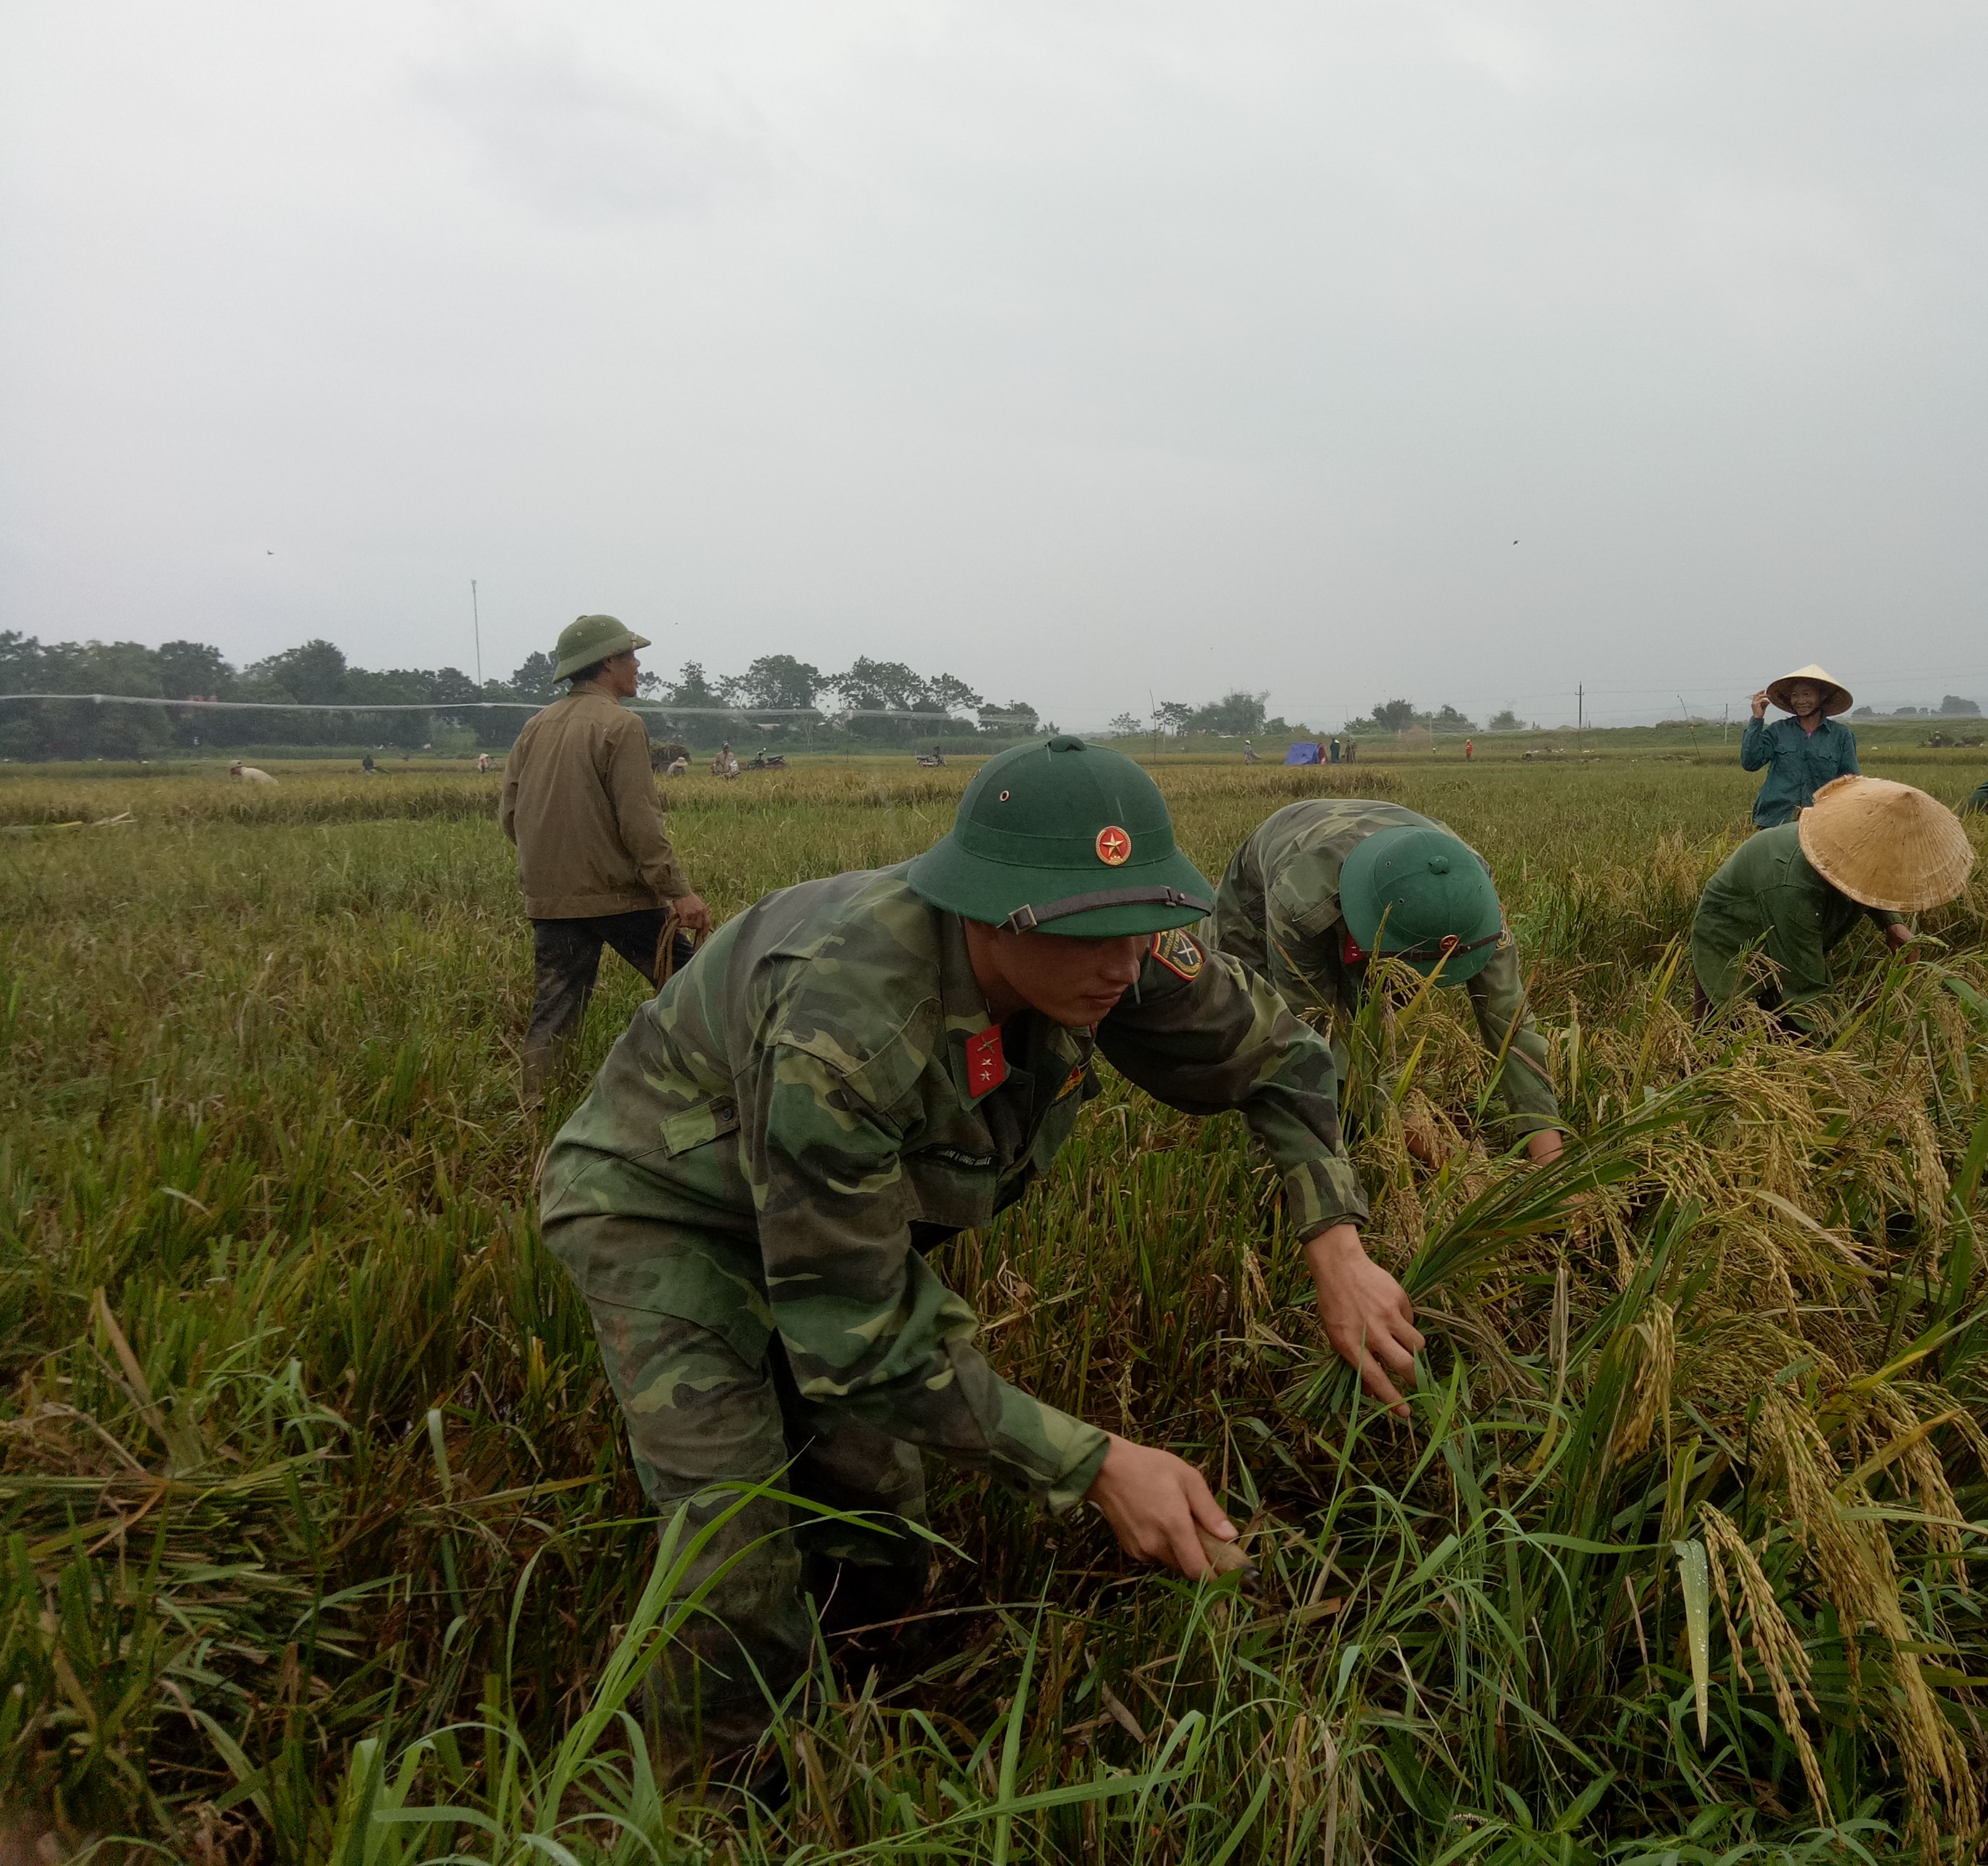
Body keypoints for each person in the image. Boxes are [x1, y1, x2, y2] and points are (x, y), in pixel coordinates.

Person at [538, 736, 1420, 1775]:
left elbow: (1282, 1061)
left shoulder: (1111, 948)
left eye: (1146, 927)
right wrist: (1095, 1465)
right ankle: (725, 1799)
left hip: (841, 1217)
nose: (1128, 966)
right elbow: (858, 1342)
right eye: (1099, 936)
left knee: (877, 1528)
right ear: (994, 910)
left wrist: (1334, 1238)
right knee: (737, 1560)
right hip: (670, 1207)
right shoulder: (851, 1022)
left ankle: (848, 1727)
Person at [1210, 800, 1563, 1164]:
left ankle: (1382, 1110)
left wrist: (1548, 1159)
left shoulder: (1469, 894)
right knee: (1271, 1043)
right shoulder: (1301, 901)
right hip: (1265, 897)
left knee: (1373, 1020)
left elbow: (1508, 1016)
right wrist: (1447, 1157)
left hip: (1384, 893)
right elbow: (1311, 1034)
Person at [500, 614, 714, 1100]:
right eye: (630, 656)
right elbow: (640, 823)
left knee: (554, 1012)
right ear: (607, 664)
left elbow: (511, 815)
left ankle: (540, 1110)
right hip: (623, 899)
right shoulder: (621, 725)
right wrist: (679, 893)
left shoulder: (536, 725)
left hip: (553, 901)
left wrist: (558, 867)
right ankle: (712, 1091)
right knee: (693, 993)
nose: (637, 665)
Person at [1691, 774, 1973, 1032]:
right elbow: (1807, 985)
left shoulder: (1853, 847)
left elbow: (1874, 874)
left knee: (1782, 1025)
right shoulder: (1791, 885)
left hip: (1790, 925)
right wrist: (1842, 1043)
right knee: (1720, 1036)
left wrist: (1892, 923)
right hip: (1734, 941)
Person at [1740, 664, 1861, 829]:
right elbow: (1750, 763)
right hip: (1775, 820)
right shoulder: (1778, 731)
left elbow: (1850, 782)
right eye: (1795, 695)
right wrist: (1757, 719)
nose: (1801, 701)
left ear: (1822, 697)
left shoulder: (1841, 735)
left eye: (1807, 694)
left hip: (1820, 822)